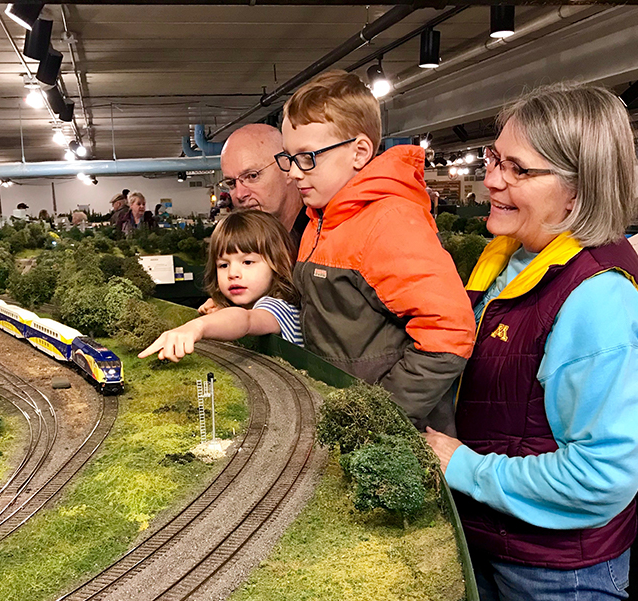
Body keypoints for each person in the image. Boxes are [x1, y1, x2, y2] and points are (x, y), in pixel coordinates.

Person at [423, 82, 638, 601]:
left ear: (576, 191)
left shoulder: (597, 300)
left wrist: (459, 464)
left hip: (561, 570)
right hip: (500, 546)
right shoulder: (512, 262)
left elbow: (602, 475)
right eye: (493, 160)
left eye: (516, 169)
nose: (491, 180)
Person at [279, 69, 475, 433]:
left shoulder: (390, 222)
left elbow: (449, 331)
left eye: (307, 157)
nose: (292, 172)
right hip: (346, 411)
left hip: (391, 432)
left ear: (360, 151)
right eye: (288, 157)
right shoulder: (320, 220)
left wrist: (382, 415)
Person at [138, 211, 301, 361]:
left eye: (248, 262)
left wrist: (198, 327)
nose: (233, 273)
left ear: (278, 264)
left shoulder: (279, 308)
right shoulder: (249, 304)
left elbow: (246, 321)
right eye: (223, 265)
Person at [219, 123, 307, 250]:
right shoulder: (246, 249)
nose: (240, 194)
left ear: (287, 168)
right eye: (232, 183)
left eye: (252, 176)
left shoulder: (326, 239)